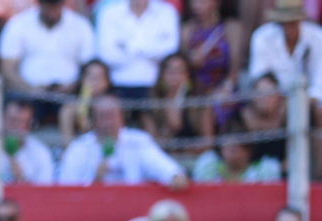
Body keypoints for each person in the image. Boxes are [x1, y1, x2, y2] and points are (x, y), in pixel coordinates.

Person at [0, 0, 97, 125]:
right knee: (14, 107)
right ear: (39, 3)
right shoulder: (18, 23)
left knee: (84, 103)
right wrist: (30, 88)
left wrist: (74, 85)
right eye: (48, 4)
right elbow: (7, 68)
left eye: (56, 4)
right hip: (28, 94)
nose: (52, 10)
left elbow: (90, 67)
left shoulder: (80, 25)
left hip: (69, 94)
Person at [57, 94, 191, 185]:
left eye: (112, 116)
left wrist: (174, 176)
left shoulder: (138, 141)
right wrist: (93, 178)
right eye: (103, 116)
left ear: (122, 118)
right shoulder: (79, 147)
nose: (108, 122)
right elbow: (65, 186)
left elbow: (164, 167)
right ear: (94, 120)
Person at [96, 0, 181, 103]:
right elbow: (107, 55)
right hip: (117, 85)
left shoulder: (167, 12)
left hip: (157, 86)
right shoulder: (109, 12)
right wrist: (152, 47)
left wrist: (126, 46)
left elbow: (170, 52)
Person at [247, 0, 322, 110]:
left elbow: (320, 82)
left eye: (292, 22)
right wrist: (277, 97)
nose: (288, 28)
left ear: (300, 20)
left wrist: (305, 101)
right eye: (284, 22)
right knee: (265, 96)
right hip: (275, 102)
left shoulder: (317, 37)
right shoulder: (262, 37)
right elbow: (259, 76)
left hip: (311, 102)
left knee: (321, 109)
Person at [0, 98, 58, 182]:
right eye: (13, 120)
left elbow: (45, 192)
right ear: (2, 118)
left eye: (23, 122)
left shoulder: (40, 152)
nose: (17, 127)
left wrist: (22, 180)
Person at [143, 52, 215, 148]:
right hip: (163, 155)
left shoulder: (200, 102)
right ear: (161, 75)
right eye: (170, 71)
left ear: (188, 75)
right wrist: (169, 129)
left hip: (195, 155)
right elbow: (151, 144)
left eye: (181, 71)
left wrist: (185, 152)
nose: (175, 76)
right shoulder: (151, 103)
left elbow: (208, 142)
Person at [182, 0, 244, 95]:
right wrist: (191, 62)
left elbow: (236, 66)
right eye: (194, 1)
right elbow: (181, 65)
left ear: (217, 2)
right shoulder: (187, 30)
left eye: (203, 2)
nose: (197, 5)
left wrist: (227, 87)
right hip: (195, 91)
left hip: (224, 90)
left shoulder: (231, 28)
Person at [190, 117, 284, 179]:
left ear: (249, 150)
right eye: (228, 146)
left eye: (237, 147)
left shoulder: (265, 170)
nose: (232, 152)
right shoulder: (208, 166)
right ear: (221, 148)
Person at [239, 72, 289, 166]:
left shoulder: (290, 115)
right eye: (260, 93)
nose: (264, 99)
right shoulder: (241, 118)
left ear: (278, 96)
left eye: (268, 94)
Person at [60, 58, 115, 142]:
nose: (94, 82)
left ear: (107, 81)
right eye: (90, 77)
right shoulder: (71, 109)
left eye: (99, 77)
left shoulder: (115, 107)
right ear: (82, 79)